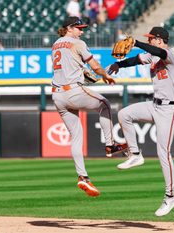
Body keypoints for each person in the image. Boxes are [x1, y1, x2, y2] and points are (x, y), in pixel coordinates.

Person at [106, 27, 174, 216]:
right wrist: (119, 65)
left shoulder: (171, 53)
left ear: (159, 39)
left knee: (163, 152)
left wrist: (137, 43)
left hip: (169, 109)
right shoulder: (153, 57)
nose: (149, 41)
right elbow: (137, 60)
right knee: (124, 114)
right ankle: (135, 154)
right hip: (155, 105)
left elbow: (160, 52)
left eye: (151, 39)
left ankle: (170, 196)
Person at [51, 16, 128, 197]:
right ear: (69, 28)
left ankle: (83, 177)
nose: (82, 31)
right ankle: (110, 145)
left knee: (76, 136)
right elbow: (95, 66)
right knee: (105, 105)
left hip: (57, 95)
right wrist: (105, 76)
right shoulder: (78, 43)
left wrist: (84, 75)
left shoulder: (56, 44)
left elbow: (71, 66)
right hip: (73, 92)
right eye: (79, 28)